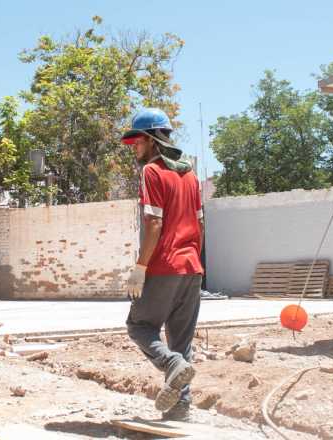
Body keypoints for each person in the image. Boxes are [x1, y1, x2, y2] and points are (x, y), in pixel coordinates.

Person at [122, 108, 204, 421]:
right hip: (191, 269)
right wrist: (195, 262)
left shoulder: (152, 172)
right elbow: (199, 227)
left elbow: (153, 225)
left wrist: (140, 267)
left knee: (139, 326)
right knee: (180, 342)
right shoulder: (191, 176)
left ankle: (171, 365)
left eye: (137, 142)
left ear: (153, 140)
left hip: (164, 267)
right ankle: (180, 408)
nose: (135, 148)